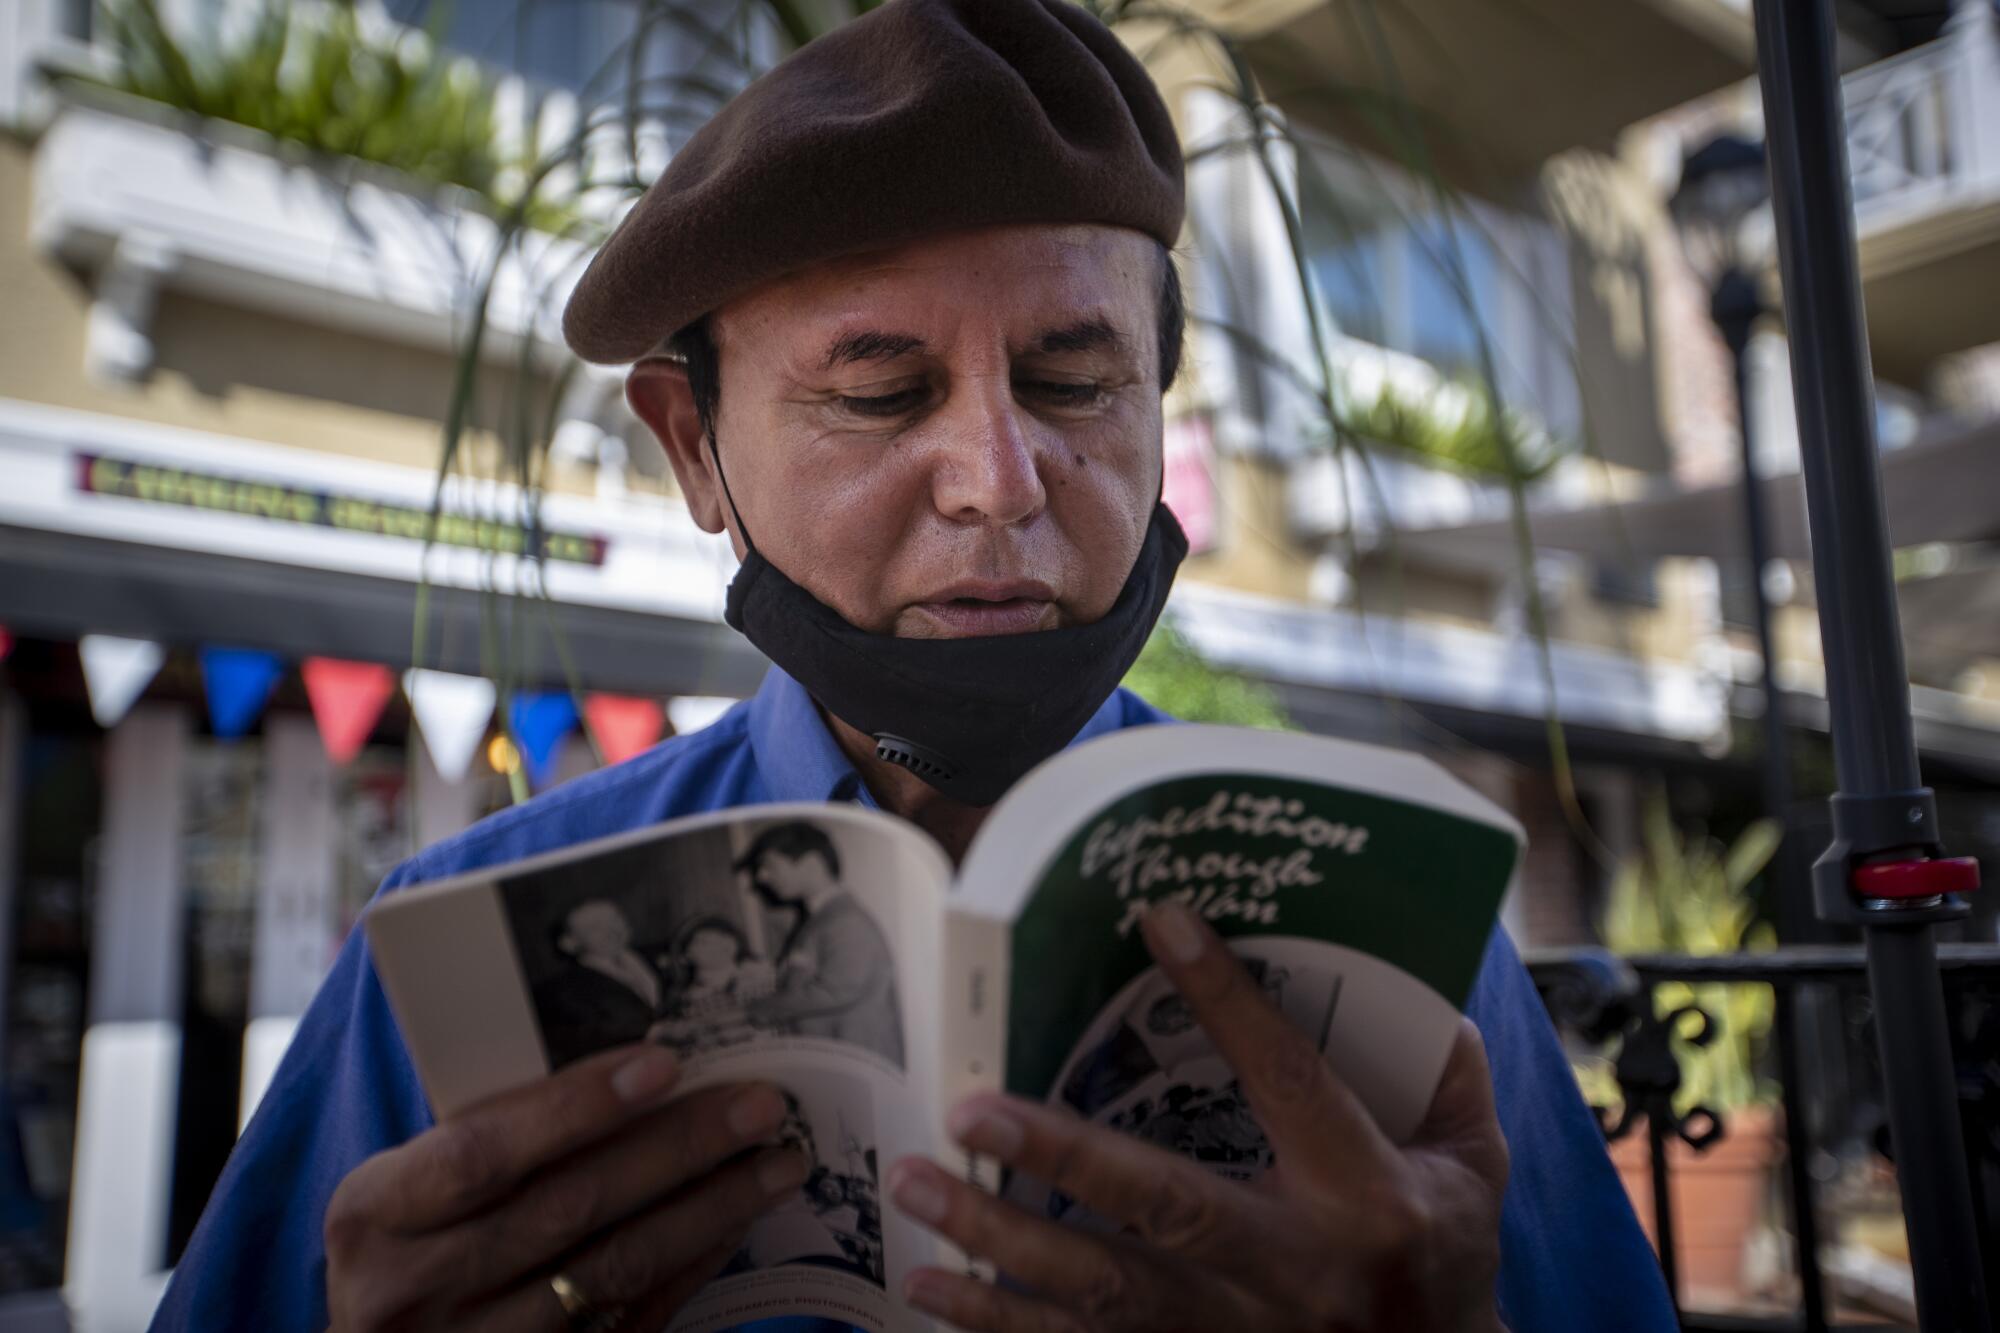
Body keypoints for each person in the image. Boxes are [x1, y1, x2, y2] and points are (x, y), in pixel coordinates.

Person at [152, 1, 1676, 1329]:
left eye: (1076, 379)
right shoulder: (452, 961)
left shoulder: (1400, 929)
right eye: (879, 395)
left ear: (1161, 405)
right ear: (695, 448)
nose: (999, 480)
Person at [734, 823, 905, 1067]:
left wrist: (760, 1008)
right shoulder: (819, 918)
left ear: (812, 863)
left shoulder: (846, 920)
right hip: (840, 1055)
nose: (761, 876)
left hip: (861, 1058)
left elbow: (837, 990)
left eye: (769, 865)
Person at [534, 899, 666, 1067]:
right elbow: (590, 1038)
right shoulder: (564, 991)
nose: (612, 930)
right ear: (569, 943)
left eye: (616, 920)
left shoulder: (657, 956)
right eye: (595, 928)